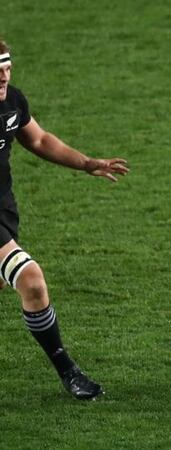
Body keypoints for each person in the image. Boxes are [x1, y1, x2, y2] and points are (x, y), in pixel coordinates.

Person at [0, 40, 129, 399]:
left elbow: (39, 140)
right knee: (31, 280)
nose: (4, 76)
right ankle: (69, 372)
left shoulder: (12, 101)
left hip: (4, 208)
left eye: (7, 68)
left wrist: (86, 162)